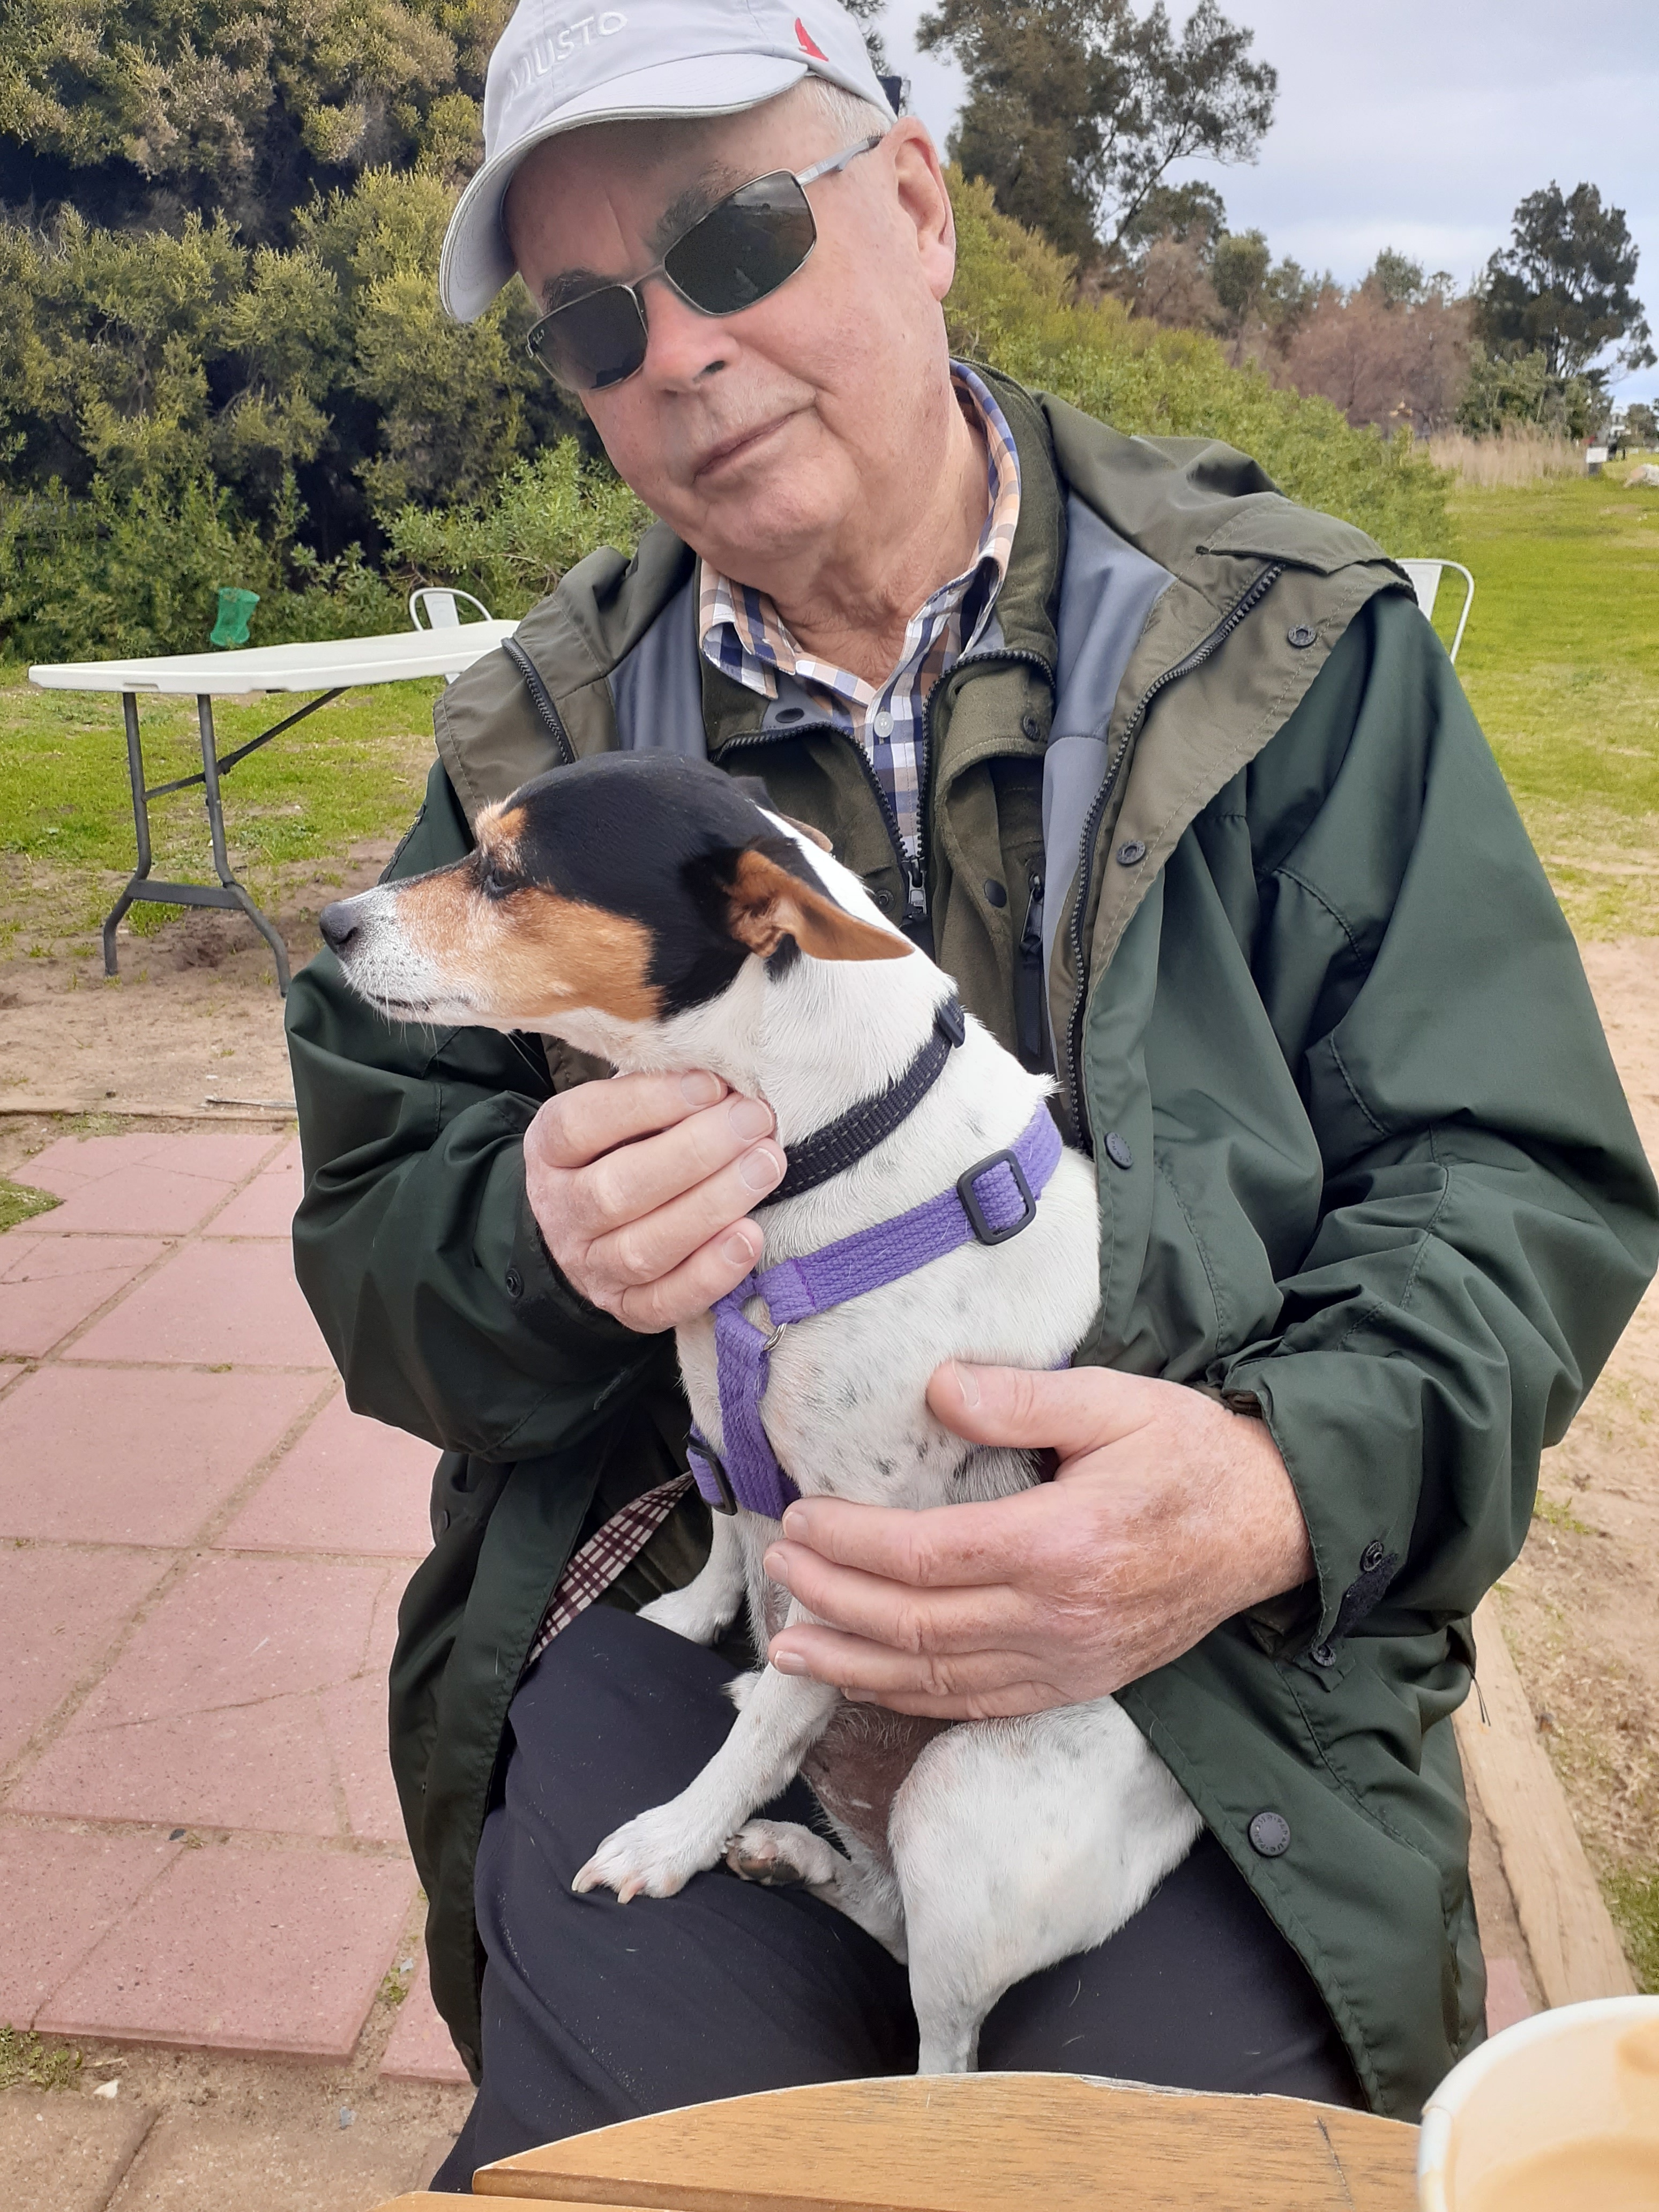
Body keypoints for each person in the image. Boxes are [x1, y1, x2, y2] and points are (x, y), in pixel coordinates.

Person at [286, 0, 1657, 2183]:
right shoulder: (527, 752)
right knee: (642, 2164)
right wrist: (531, 1243)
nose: (677, 350)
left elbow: (1520, 1178)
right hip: (697, 1573)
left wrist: (1269, 1487)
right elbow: (372, 1243)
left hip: (1199, 1638)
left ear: (917, 208)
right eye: (587, 317)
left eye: (734, 239)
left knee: (1139, 2164)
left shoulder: (1295, 650)